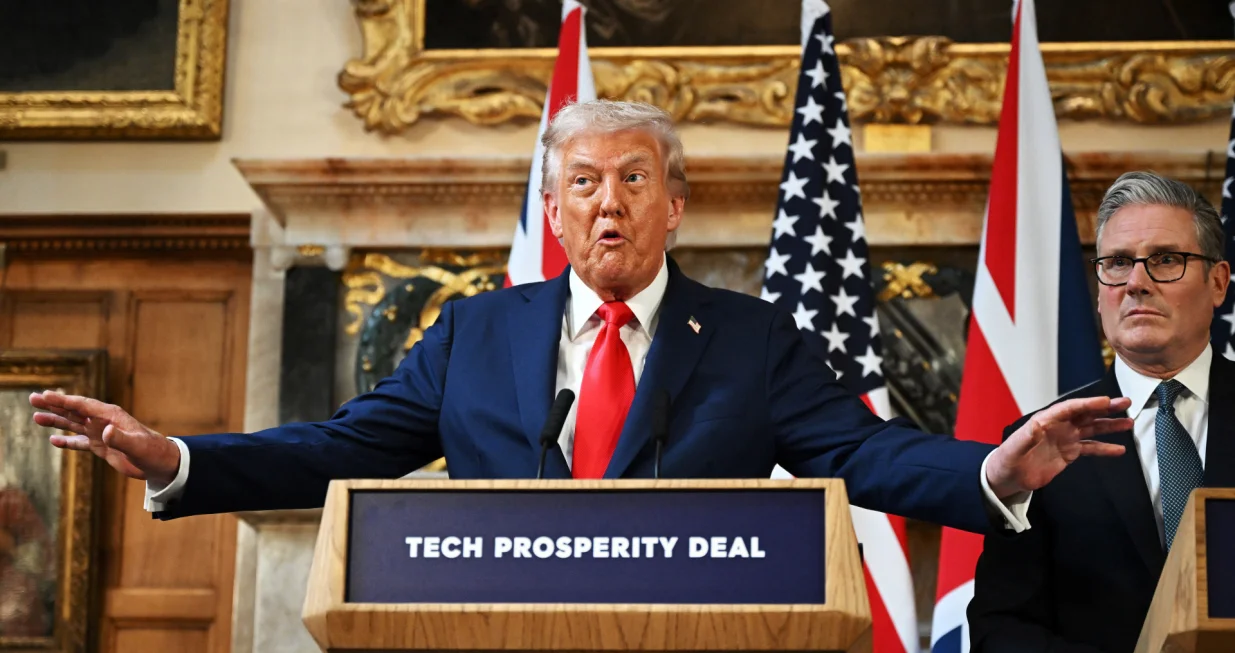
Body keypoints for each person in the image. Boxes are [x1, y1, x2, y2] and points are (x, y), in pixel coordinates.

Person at [28, 100, 1130, 534]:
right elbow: (342, 448)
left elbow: (865, 450)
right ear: (552, 211)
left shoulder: (751, 341)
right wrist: (176, 454)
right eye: (585, 183)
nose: (610, 200)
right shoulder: (473, 333)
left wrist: (994, 469)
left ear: (676, 203)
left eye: (635, 179)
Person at [968, 171, 1235, 653]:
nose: (1136, 283)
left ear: (1218, 283)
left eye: (1166, 260)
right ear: (1099, 290)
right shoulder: (1039, 442)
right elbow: (999, 630)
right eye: (1116, 263)